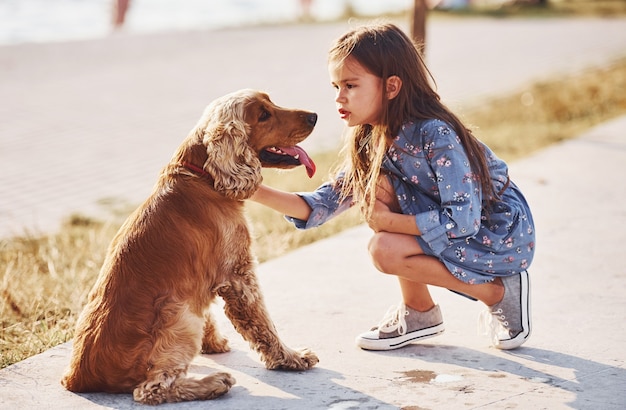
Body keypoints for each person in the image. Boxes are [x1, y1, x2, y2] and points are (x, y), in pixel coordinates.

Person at [250, 22, 535, 351]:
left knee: (383, 237)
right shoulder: (371, 140)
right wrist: (252, 190)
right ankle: (420, 313)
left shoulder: (435, 133)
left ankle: (500, 292)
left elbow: (464, 220)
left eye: (350, 85)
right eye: (336, 87)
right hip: (459, 231)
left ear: (392, 86)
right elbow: (320, 206)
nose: (339, 97)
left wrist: (390, 222)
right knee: (382, 226)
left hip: (500, 234)